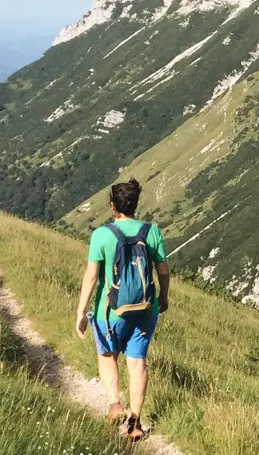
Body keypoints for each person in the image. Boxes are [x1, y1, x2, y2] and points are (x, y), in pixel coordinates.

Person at [75, 179, 170, 440]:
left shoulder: (102, 235)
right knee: (137, 362)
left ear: (112, 205)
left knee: (108, 356)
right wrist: (164, 296)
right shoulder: (152, 232)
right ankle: (135, 422)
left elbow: (91, 276)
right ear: (135, 204)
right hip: (145, 309)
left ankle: (116, 404)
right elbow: (162, 269)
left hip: (110, 311)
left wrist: (81, 312)